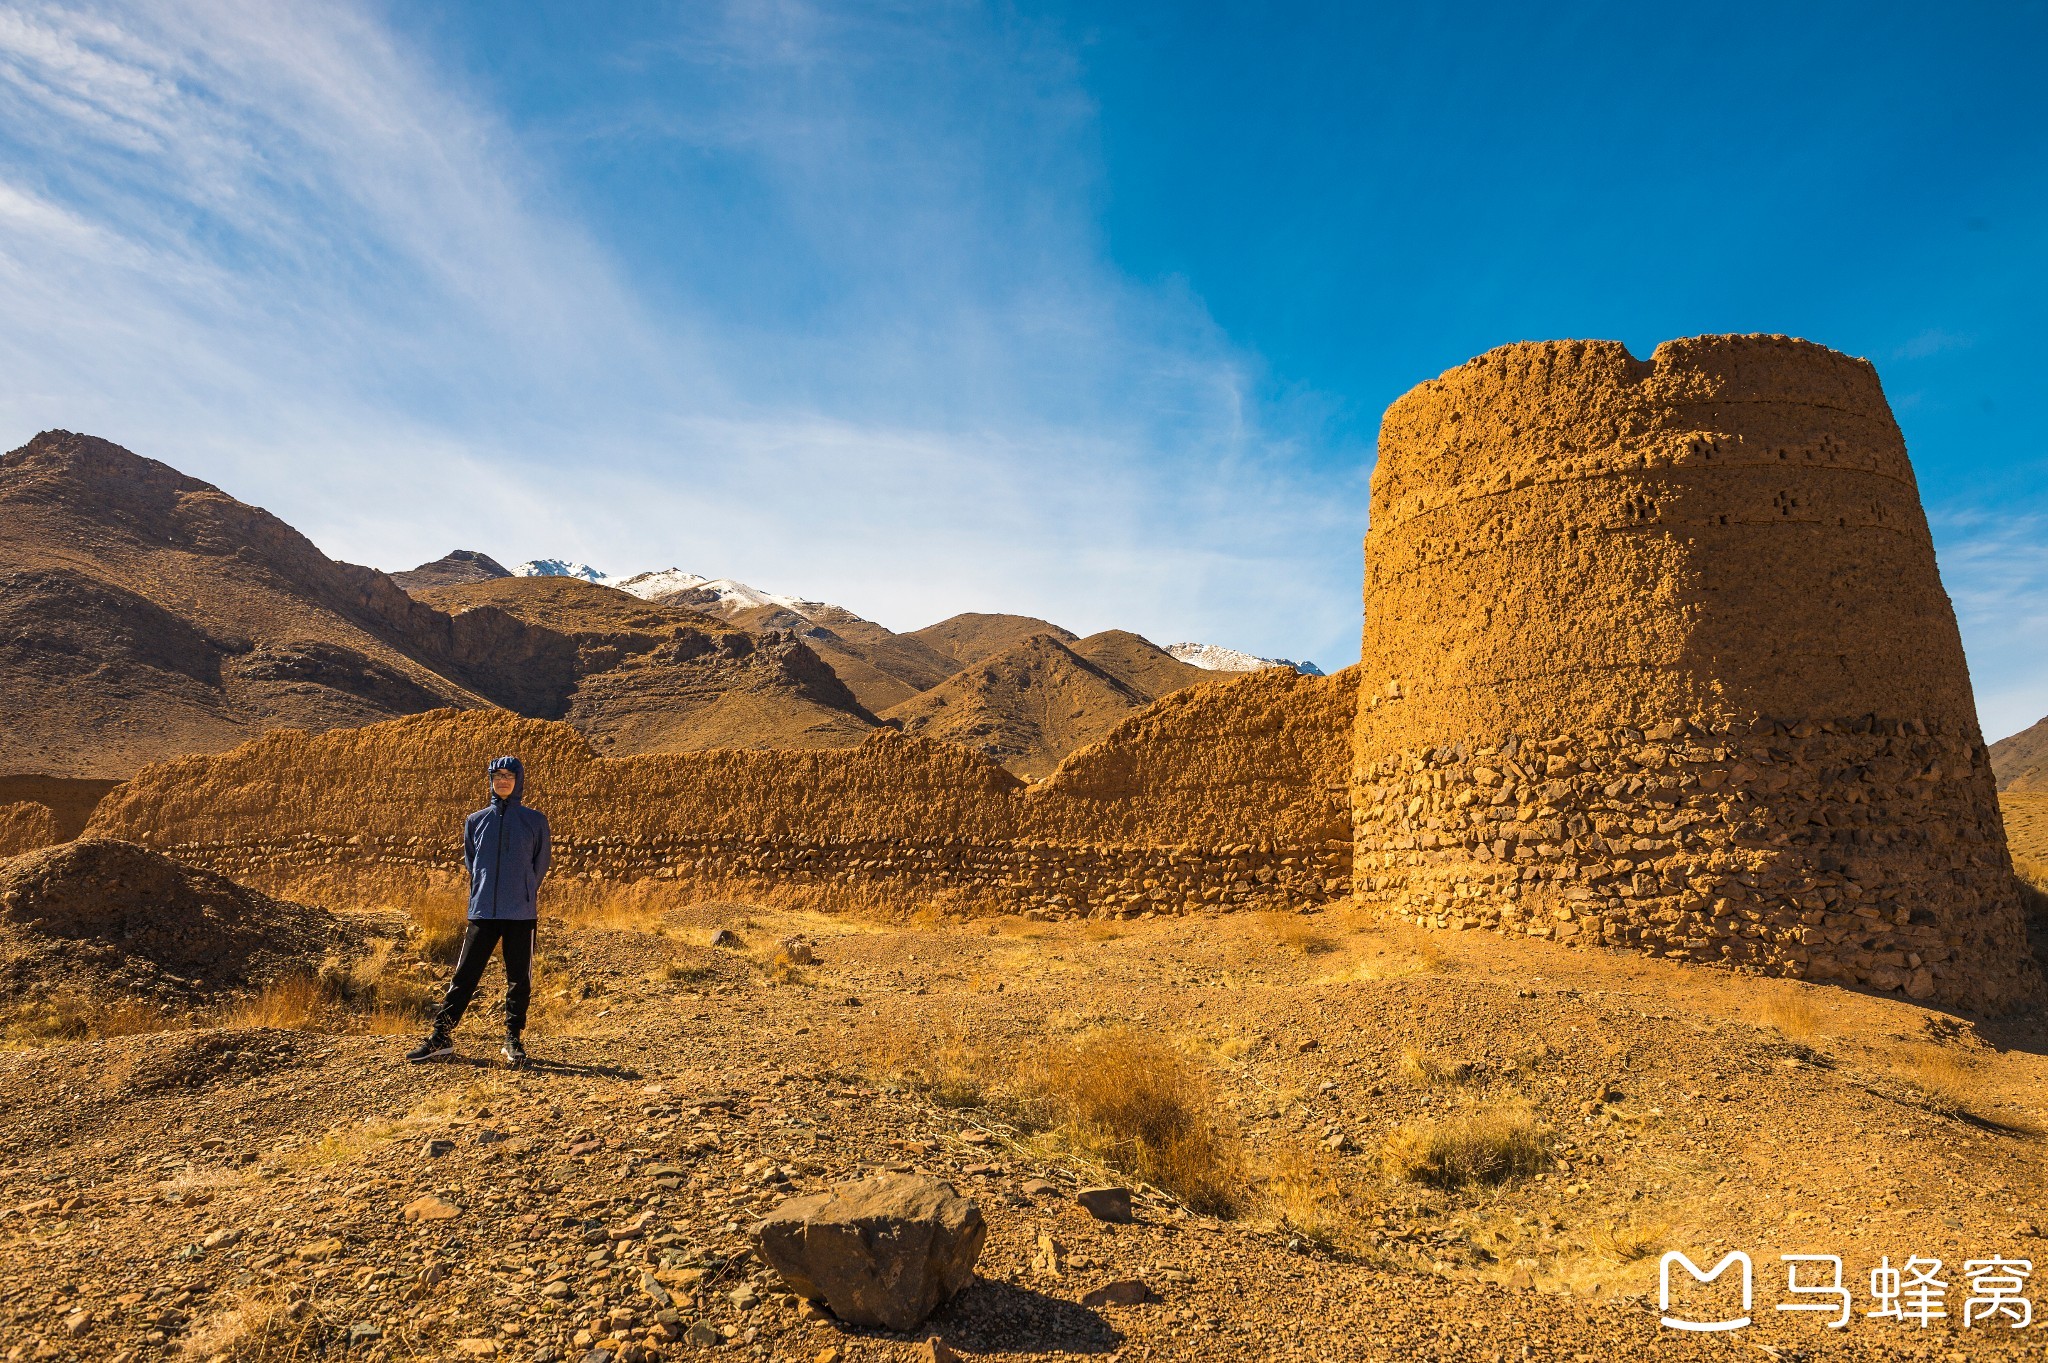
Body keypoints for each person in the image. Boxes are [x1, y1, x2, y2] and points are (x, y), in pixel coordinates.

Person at [407, 755, 551, 1066]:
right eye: (497, 775)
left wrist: (524, 890)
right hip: (483, 910)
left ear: (519, 780)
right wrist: (484, 890)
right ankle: (441, 1037)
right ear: (490, 779)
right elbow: (472, 863)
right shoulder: (475, 821)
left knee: (518, 979)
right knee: (464, 975)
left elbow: (540, 865)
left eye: (509, 775)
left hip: (520, 913)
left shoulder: (534, 821)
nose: (503, 780)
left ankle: (513, 1039)